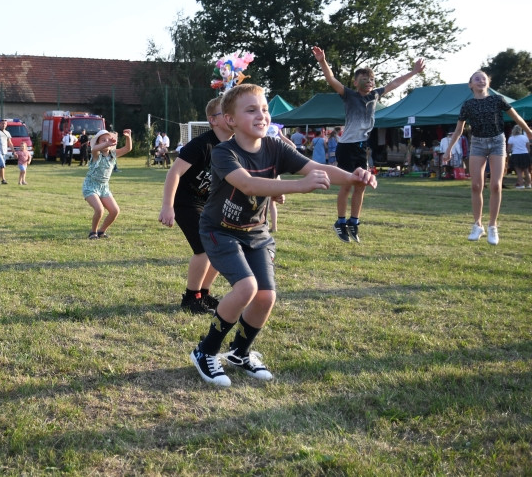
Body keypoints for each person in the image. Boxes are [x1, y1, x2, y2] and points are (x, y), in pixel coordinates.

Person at [190, 84, 377, 387]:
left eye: (264, 109)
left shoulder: (276, 147)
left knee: (266, 295)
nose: (261, 114)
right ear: (230, 119)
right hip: (219, 230)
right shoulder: (224, 153)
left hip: (256, 233)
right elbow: (248, 185)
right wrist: (299, 187)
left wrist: (354, 176)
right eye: (251, 110)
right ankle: (206, 350)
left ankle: (239, 353)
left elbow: (317, 167)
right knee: (246, 288)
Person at [313, 46, 425, 243]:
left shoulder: (375, 96)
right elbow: (332, 80)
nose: (369, 81)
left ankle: (353, 222)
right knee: (348, 184)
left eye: (371, 79)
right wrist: (322, 61)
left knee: (362, 184)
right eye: (364, 79)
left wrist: (414, 71)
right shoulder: (349, 95)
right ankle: (340, 222)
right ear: (356, 83)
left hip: (361, 146)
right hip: (347, 146)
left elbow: (395, 83)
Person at [158, 97, 231, 314]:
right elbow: (175, 172)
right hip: (186, 203)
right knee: (205, 249)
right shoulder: (201, 145)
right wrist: (167, 206)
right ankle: (191, 298)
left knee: (222, 248)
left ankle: (204, 294)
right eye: (224, 112)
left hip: (209, 205)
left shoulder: (234, 146)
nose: (231, 115)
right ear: (213, 120)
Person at [446, 70, 532, 245]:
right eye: (476, 79)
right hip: (477, 143)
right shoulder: (467, 105)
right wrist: (449, 149)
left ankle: (493, 226)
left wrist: (530, 133)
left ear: (488, 83)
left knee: (495, 185)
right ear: (470, 85)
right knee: (476, 185)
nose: (480, 81)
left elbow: (516, 118)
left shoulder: (497, 100)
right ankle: (477, 225)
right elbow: (459, 130)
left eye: (483, 79)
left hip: (497, 142)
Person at [83, 128, 133, 239]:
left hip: (104, 187)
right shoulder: (96, 154)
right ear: (98, 142)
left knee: (115, 211)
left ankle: (101, 231)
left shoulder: (113, 154)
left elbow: (128, 148)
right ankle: (93, 232)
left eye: (108, 139)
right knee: (99, 209)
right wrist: (107, 143)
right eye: (103, 140)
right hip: (91, 186)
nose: (106, 141)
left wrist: (128, 137)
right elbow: (94, 148)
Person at [507, 124, 530, 189]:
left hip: (516, 155)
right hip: (525, 154)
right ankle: (529, 184)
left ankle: (521, 184)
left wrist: (508, 154)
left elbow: (508, 149)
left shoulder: (511, 138)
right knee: (526, 170)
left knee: (519, 171)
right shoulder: (525, 137)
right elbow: (528, 147)